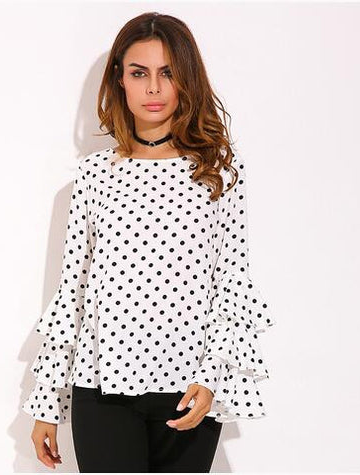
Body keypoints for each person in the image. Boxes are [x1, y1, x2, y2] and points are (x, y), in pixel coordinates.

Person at [22, 11, 276, 473]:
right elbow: (73, 287)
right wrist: (46, 401)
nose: (154, 89)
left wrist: (211, 377)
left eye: (168, 74)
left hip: (188, 387)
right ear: (120, 79)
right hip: (101, 386)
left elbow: (231, 282)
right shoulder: (95, 174)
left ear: (186, 80)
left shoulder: (218, 172)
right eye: (139, 73)